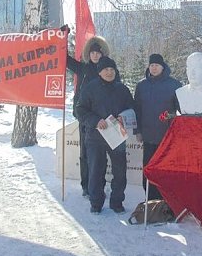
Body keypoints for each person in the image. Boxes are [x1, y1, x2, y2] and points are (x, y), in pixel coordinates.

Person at [75, 56, 134, 214]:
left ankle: (117, 202)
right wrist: (95, 121)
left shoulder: (122, 89)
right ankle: (96, 203)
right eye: (106, 69)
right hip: (95, 137)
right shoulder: (89, 88)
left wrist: (125, 117)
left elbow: (132, 108)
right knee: (95, 171)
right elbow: (79, 110)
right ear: (100, 72)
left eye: (112, 69)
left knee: (120, 171)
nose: (109, 72)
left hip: (117, 136)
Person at [65, 31, 117, 197]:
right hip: (86, 118)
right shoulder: (83, 68)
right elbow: (64, 59)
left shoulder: (109, 69)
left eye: (98, 52)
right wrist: (63, 37)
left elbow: (118, 90)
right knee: (85, 154)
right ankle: (86, 185)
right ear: (89, 53)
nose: (95, 55)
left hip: (104, 120)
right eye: (93, 52)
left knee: (101, 155)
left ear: (102, 53)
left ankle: (99, 185)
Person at [134, 54, 182, 200]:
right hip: (148, 136)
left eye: (157, 65)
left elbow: (182, 109)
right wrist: (138, 131)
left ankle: (165, 200)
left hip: (166, 136)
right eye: (152, 65)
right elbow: (137, 109)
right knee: (148, 169)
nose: (154, 68)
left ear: (163, 66)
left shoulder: (174, 85)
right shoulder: (142, 85)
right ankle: (150, 199)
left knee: (164, 170)